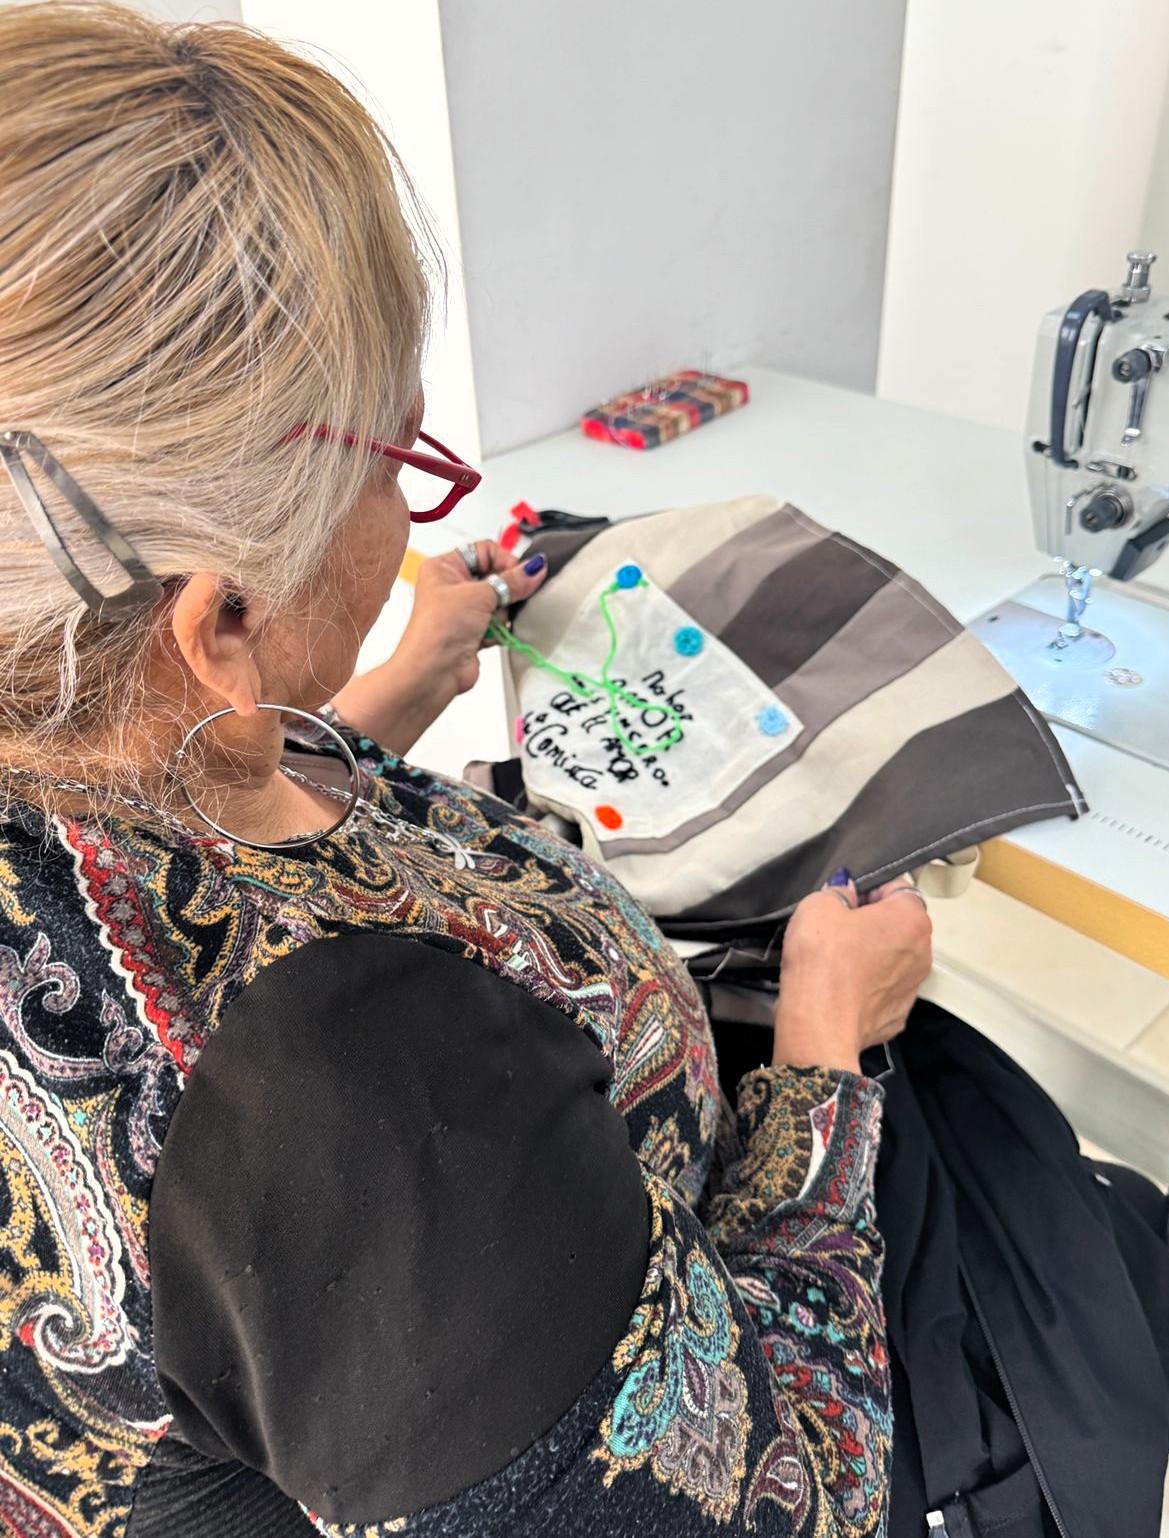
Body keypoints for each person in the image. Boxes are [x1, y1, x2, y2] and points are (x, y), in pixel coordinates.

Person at [0, 5, 933, 1534]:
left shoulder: (83, 739)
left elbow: (192, 843)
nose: (415, 508)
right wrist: (829, 1053)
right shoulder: (363, 1136)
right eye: (402, 458)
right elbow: (786, 1493)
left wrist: (385, 692)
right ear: (220, 621)